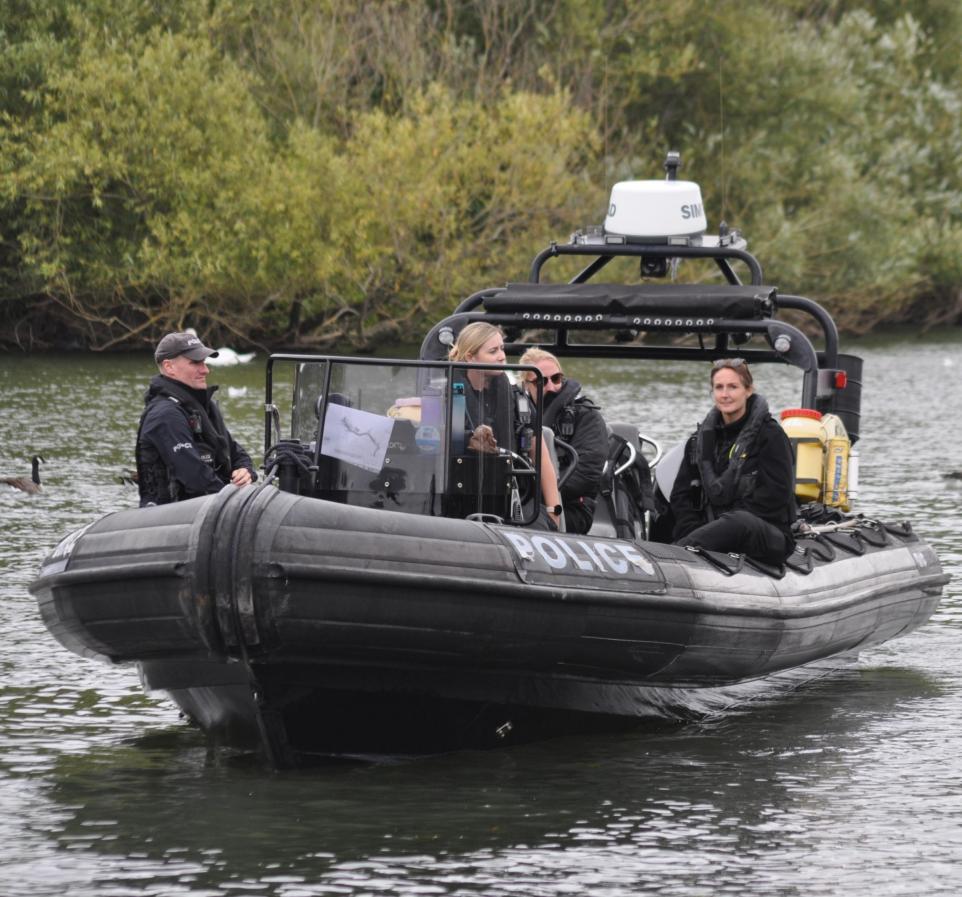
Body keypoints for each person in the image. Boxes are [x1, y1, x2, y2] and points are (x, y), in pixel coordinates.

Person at [669, 358, 795, 564]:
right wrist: (697, 530)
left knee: (738, 522)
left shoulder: (770, 435)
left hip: (764, 532)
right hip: (708, 532)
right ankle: (680, 554)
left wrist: (721, 528)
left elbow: (775, 498)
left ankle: (676, 555)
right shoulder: (698, 440)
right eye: (719, 387)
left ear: (748, 390)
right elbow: (681, 496)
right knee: (671, 518)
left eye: (733, 387)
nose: (725, 394)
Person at [448, 322, 563, 529]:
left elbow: (542, 459)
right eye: (493, 351)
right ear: (470, 357)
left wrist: (553, 509)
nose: (502, 356)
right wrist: (469, 439)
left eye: (502, 348)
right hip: (458, 494)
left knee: (539, 526)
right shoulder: (446, 396)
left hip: (514, 493)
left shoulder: (518, 401)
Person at [136, 331, 257, 507]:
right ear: (169, 367)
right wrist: (237, 502)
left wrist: (245, 471)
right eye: (196, 363)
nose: (205, 370)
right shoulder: (165, 415)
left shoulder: (206, 407)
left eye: (204, 362)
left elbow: (235, 452)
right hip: (174, 518)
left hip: (211, 508)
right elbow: (194, 477)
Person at [518, 348, 607, 534]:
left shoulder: (587, 417)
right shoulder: (516, 415)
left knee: (529, 517)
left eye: (556, 378)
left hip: (571, 507)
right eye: (541, 381)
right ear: (526, 385)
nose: (551, 387)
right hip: (522, 500)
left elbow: (586, 475)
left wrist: (539, 495)